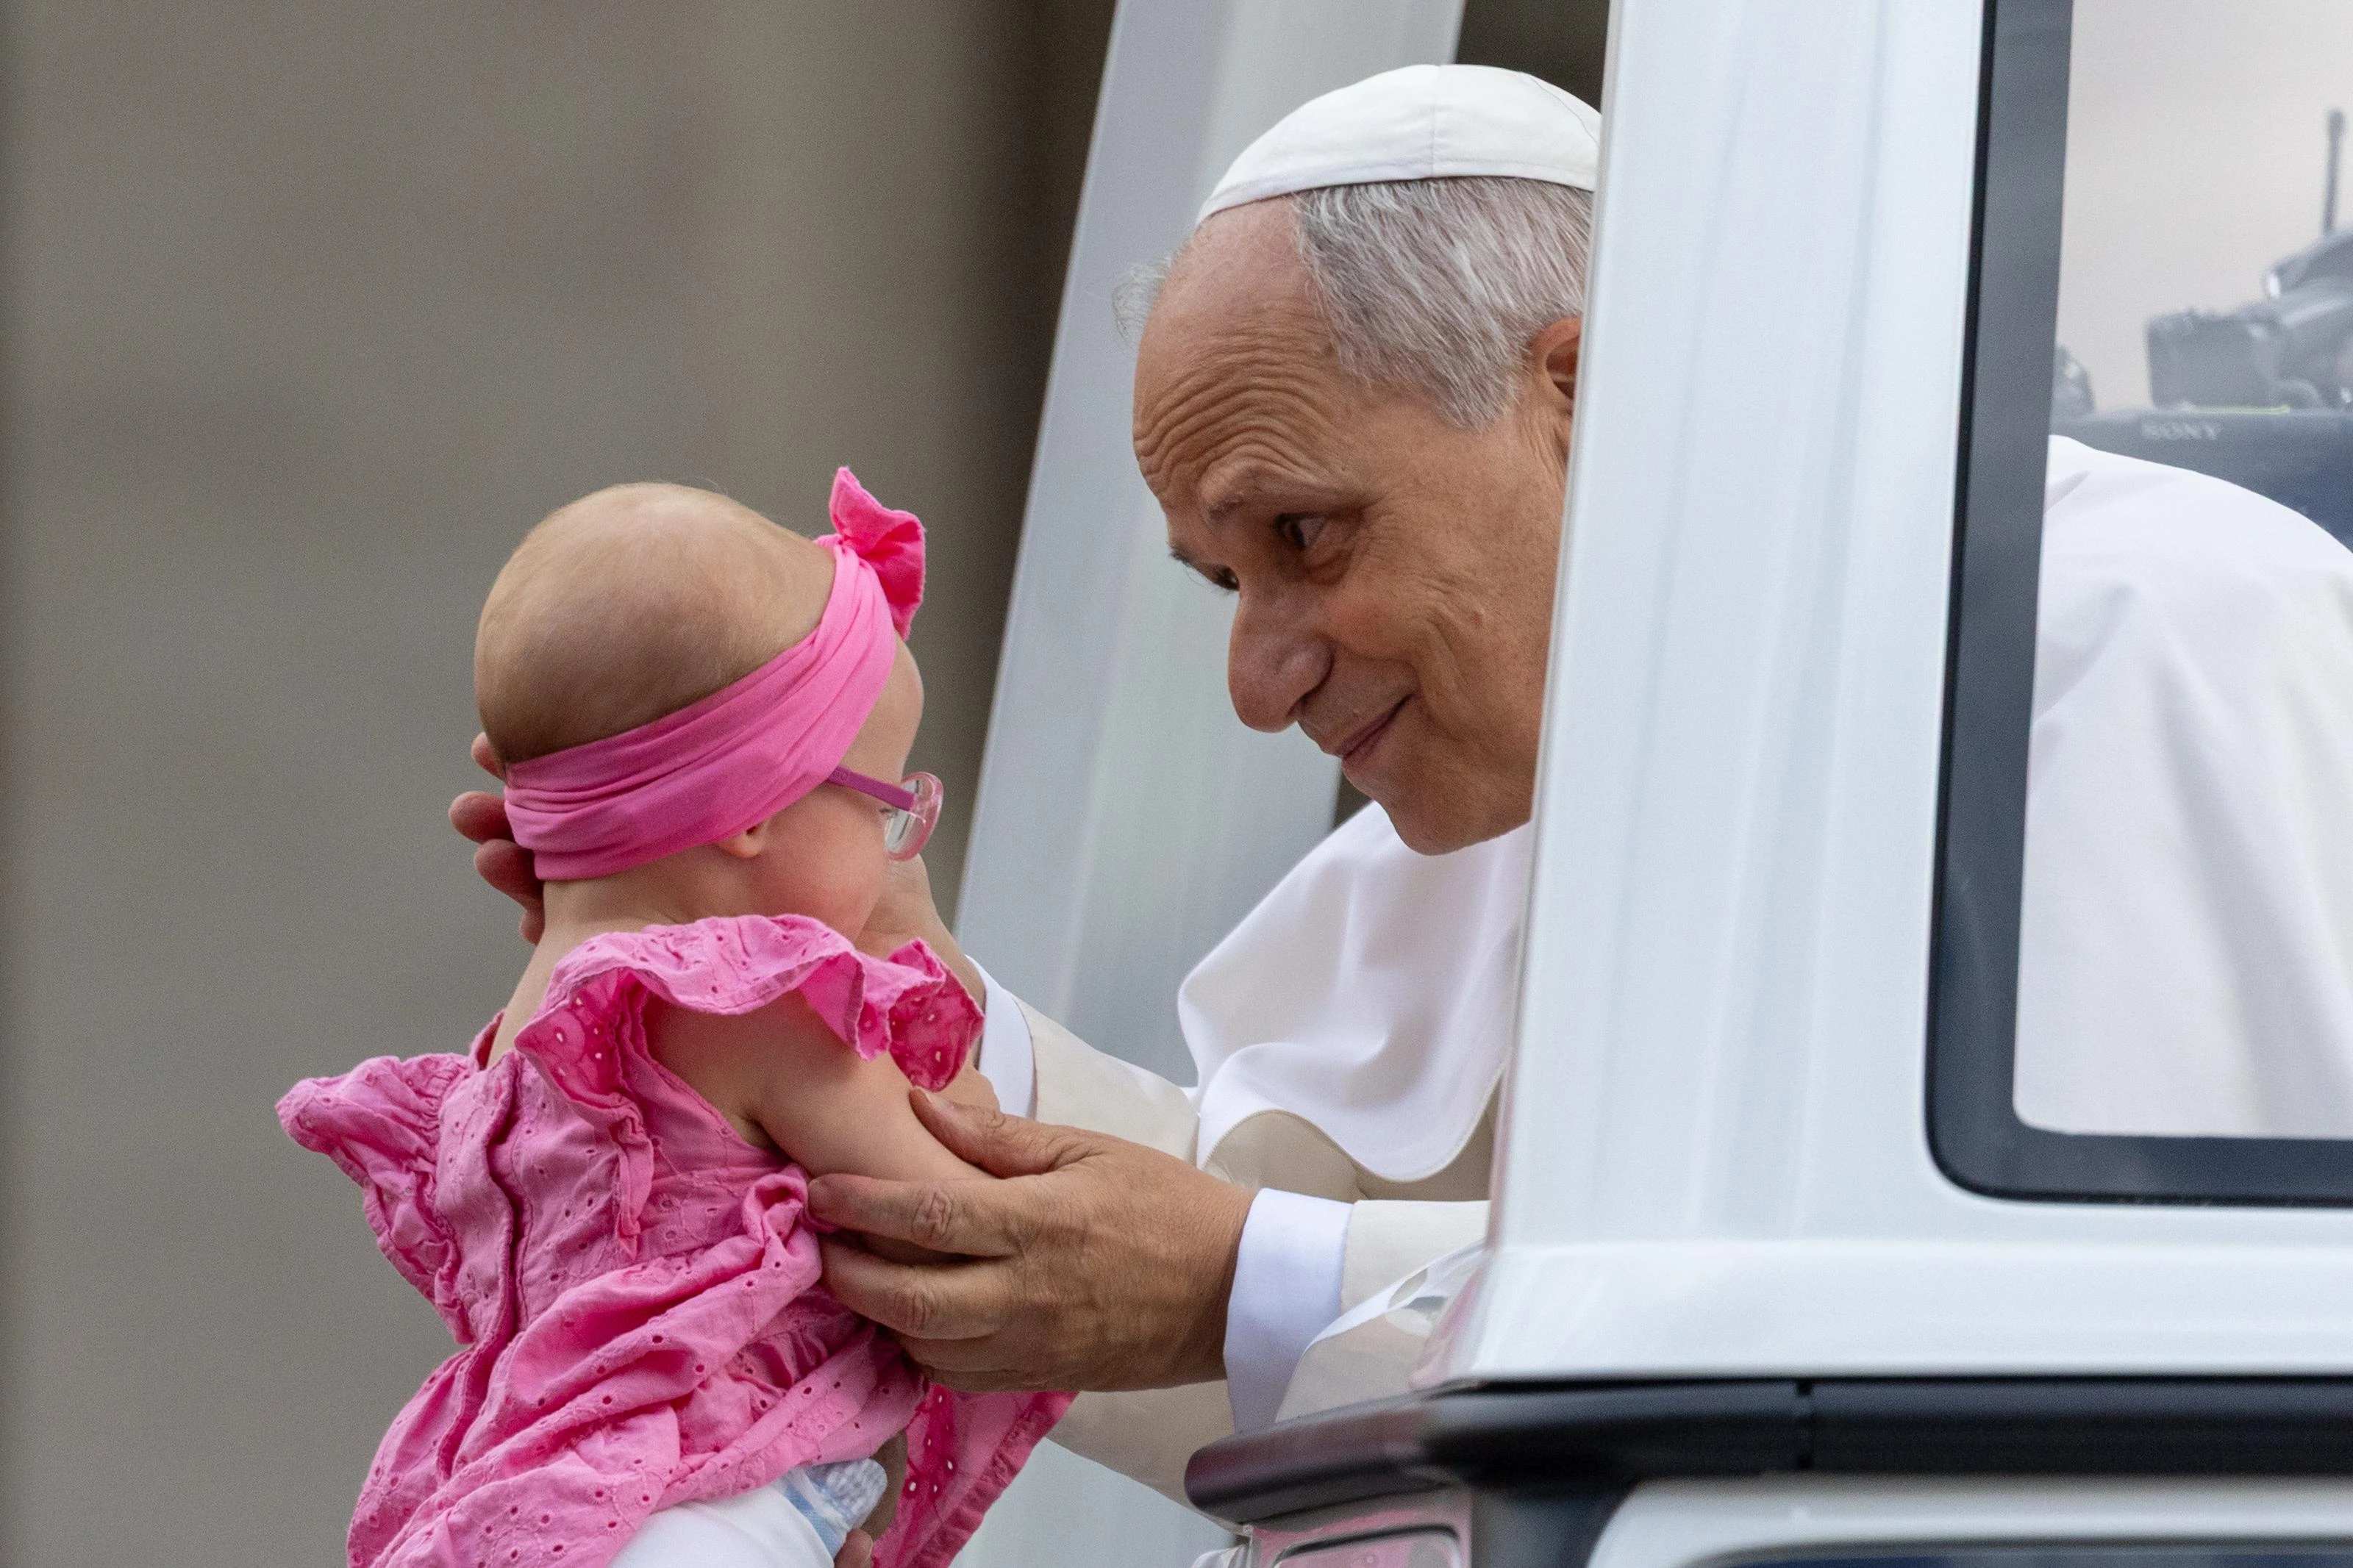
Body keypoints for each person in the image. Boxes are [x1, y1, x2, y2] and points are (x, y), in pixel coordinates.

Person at [453, 62, 2353, 1518]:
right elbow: (1208, 1265)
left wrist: (1249, 1283)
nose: (1258, 673)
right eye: (1223, 578)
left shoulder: (2126, 641)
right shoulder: (1561, 752)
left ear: (1584, 390)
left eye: (1305, 534)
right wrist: (814, 928)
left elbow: (2072, 1344)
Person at [283, 473, 1067, 1568]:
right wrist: (944, 1034)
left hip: (523, 1501)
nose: (902, 848)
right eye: (889, 807)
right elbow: (964, 1208)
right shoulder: (751, 1003)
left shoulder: (521, 1041)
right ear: (751, 813)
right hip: (693, 1512)